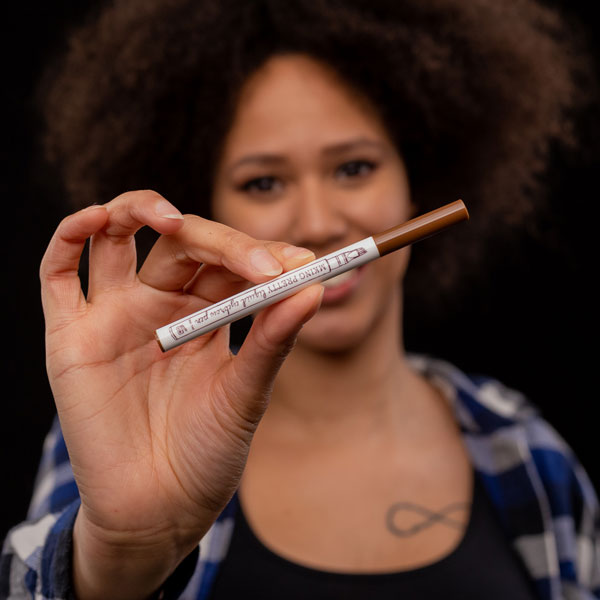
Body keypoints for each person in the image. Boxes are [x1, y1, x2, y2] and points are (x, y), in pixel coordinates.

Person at [2, 0, 598, 598]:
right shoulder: (129, 432)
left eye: (354, 168)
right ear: (209, 211)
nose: (317, 221)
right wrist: (122, 556)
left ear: (416, 185)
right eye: (263, 182)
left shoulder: (523, 448)